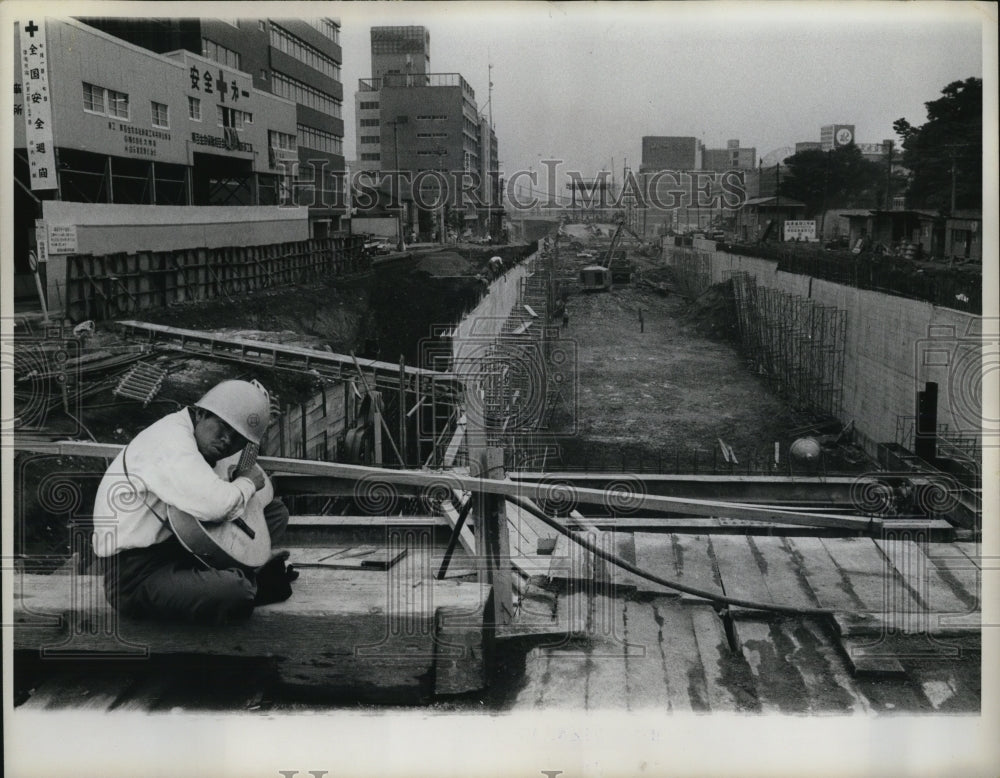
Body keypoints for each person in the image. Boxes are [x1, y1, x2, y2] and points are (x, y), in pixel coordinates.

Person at [92, 379, 297, 625]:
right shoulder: (171, 443)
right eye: (222, 428)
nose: (226, 441)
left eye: (238, 438)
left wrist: (245, 474)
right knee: (237, 591)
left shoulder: (200, 438)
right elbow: (216, 505)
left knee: (274, 513)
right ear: (201, 413)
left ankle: (240, 569)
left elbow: (261, 494)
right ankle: (252, 578)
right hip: (136, 573)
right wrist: (247, 483)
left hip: (180, 542)